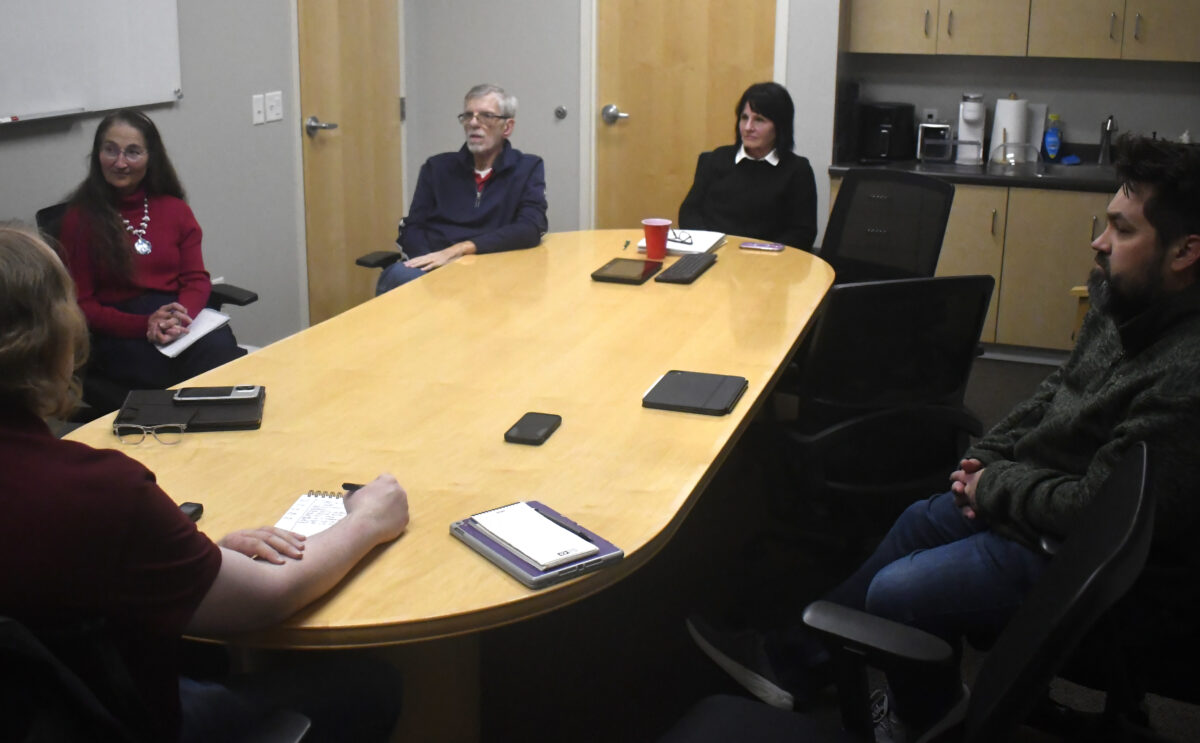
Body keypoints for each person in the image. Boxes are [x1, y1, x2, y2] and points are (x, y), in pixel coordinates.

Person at [687, 134, 1200, 741]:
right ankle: (792, 662)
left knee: (897, 592)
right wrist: (986, 457)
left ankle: (926, 723)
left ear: (1184, 251)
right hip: (1035, 497)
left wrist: (995, 486)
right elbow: (1055, 391)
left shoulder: (1185, 373)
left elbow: (1099, 511)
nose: (1100, 241)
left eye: (1122, 228)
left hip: (1081, 557)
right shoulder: (1127, 302)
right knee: (917, 520)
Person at [0, 224, 409, 741]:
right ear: (54, 339)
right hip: (133, 720)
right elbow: (268, 597)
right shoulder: (96, 491)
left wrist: (190, 559)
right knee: (372, 683)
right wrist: (368, 520)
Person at [57, 109, 245, 393]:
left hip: (176, 318)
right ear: (97, 155)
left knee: (221, 350)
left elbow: (195, 279)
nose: (120, 162)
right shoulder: (80, 219)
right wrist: (145, 324)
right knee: (177, 375)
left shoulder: (175, 210)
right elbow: (81, 304)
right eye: (110, 150)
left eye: (133, 152)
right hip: (119, 332)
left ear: (150, 157)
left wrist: (178, 318)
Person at [376, 83, 548, 293]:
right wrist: (431, 262)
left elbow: (530, 228)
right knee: (398, 275)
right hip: (436, 271)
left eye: (486, 116)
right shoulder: (436, 168)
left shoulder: (527, 168)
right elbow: (413, 227)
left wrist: (460, 249)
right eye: (468, 116)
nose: (474, 123)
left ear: (507, 127)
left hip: (493, 270)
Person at [678, 82, 817, 250]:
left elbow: (802, 233)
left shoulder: (797, 170)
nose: (748, 127)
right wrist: (709, 245)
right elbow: (689, 213)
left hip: (767, 260)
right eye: (744, 118)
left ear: (780, 126)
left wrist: (759, 253)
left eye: (759, 120)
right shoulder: (715, 159)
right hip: (713, 254)